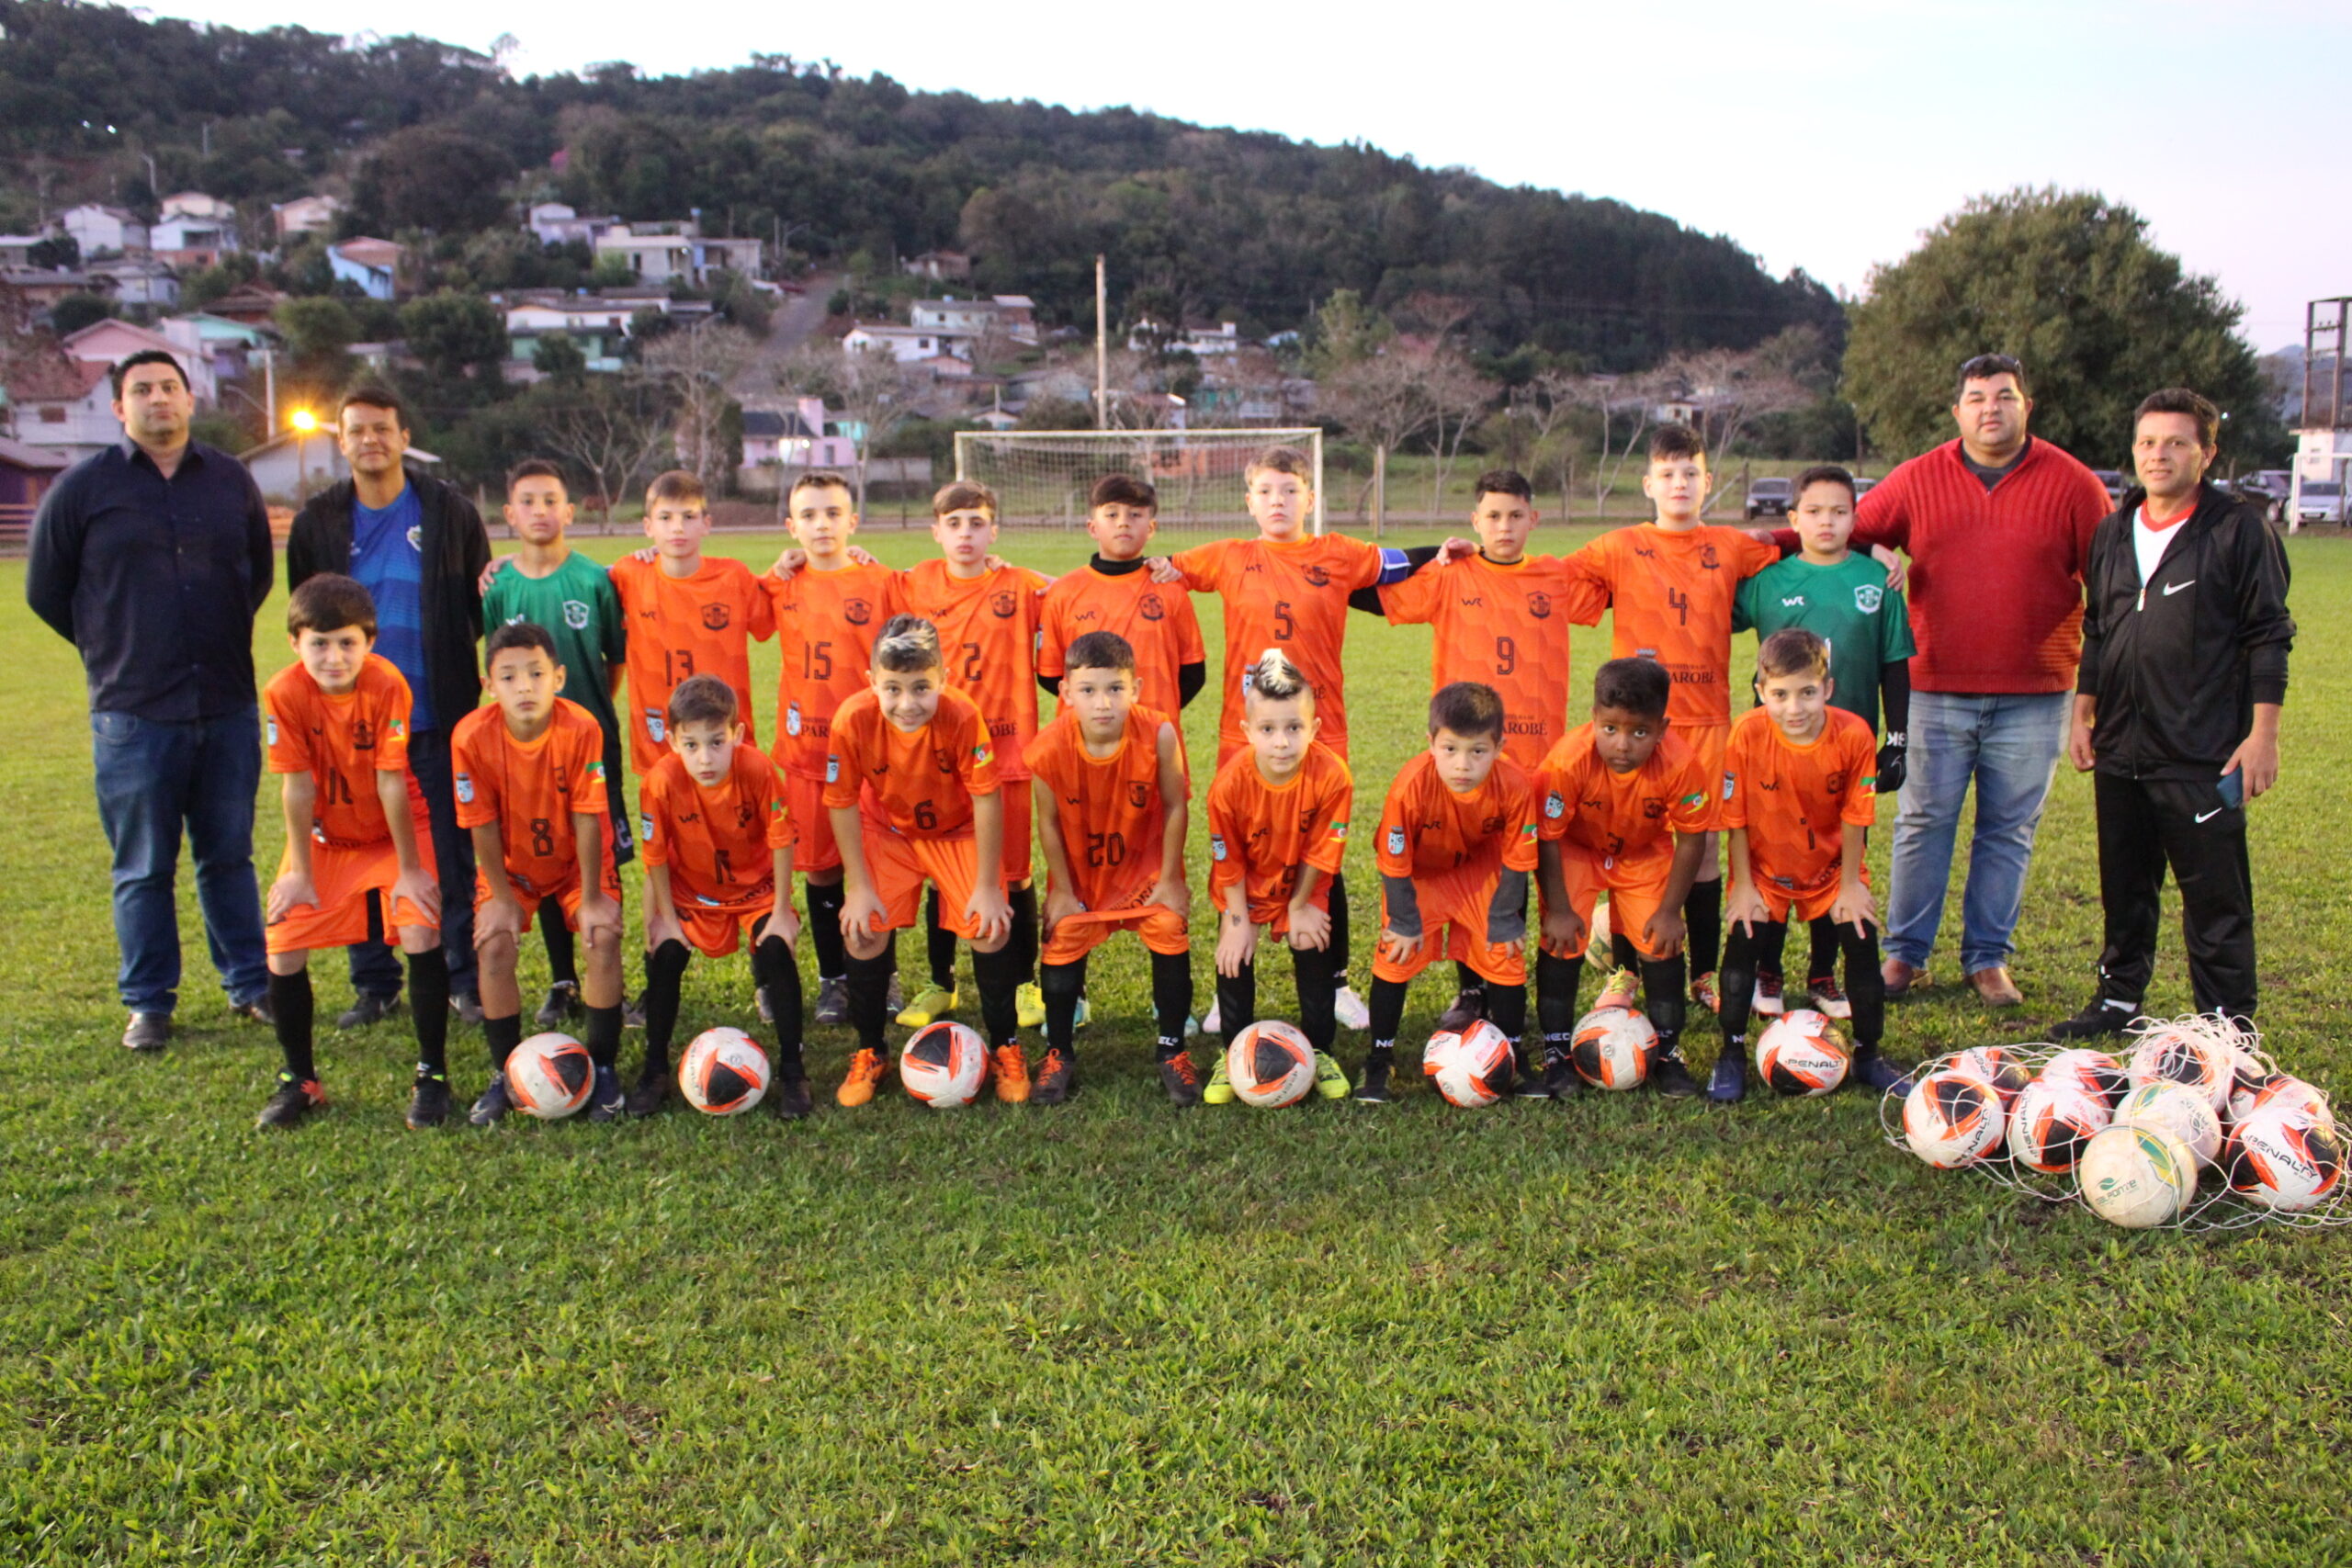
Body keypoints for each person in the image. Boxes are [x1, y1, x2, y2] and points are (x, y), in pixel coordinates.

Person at [1820, 354, 2109, 1008]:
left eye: (2004, 396)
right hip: (1936, 686)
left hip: (2035, 694)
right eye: (1977, 398)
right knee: (1924, 820)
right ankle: (1905, 955)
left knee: (2008, 828)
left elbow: (2111, 585)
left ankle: (1987, 958)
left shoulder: (2073, 483)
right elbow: (1846, 532)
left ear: (2025, 406)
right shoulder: (1920, 477)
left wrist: (2094, 696)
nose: (1990, 409)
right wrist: (1875, 549)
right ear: (1957, 411)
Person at [1153, 445, 1463, 1032]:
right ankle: (1229, 987)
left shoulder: (1338, 554)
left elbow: (1398, 564)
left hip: (1322, 732)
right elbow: (1158, 569)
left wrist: (1443, 553)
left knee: (1323, 854)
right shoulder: (1226, 556)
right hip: (1243, 735)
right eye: (1267, 492)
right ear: (1249, 501)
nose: (1278, 501)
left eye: (1290, 491)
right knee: (1235, 852)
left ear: (1309, 498)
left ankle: (1338, 983)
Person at [26, 348, 275, 1050]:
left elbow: (253, 575)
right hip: (133, 712)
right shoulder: (82, 490)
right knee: (142, 865)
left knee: (228, 856)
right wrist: (112, 648)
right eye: (142, 389)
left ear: (190, 400)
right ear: (119, 407)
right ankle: (149, 1002)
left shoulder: (231, 482)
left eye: (169, 387)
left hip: (225, 702)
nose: (157, 398)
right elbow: (47, 591)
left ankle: (250, 984)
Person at [2053, 389, 2293, 1037]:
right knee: (2125, 886)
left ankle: (2226, 1022)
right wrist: (2084, 712)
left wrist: (2262, 736)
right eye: (2148, 442)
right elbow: (2099, 627)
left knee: (2215, 896)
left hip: (2201, 749)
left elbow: (2269, 634)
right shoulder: (2112, 529)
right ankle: (2118, 997)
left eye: (2177, 442)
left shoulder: (2238, 529)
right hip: (2120, 746)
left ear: (2207, 452)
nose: (2159, 455)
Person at [1364, 466, 1605, 1031]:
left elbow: (1629, 585)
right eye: (1493, 516)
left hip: (1538, 760)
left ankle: (1521, 991)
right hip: (1466, 761)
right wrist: (1431, 554)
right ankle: (1472, 991)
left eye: (1516, 516)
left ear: (1533, 519)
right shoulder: (1452, 574)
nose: (1504, 526)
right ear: (1474, 521)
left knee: (1520, 871)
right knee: (1471, 867)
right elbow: (1368, 592)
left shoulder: (1557, 576)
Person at [288, 385, 489, 1028]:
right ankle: (374, 981)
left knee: (449, 855)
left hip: (435, 715)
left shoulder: (447, 510)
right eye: (357, 430)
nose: (370, 439)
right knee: (359, 848)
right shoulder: (318, 520)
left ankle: (461, 976)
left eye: (383, 428)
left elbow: (475, 604)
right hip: (348, 729)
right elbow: (306, 615)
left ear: (405, 438)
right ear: (340, 441)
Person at [1560, 426, 1779, 1018]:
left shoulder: (1732, 544)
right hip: (1638, 726)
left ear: (1708, 482)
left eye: (1690, 474)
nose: (1679, 484)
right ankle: (1629, 973)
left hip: (1707, 724)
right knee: (1634, 848)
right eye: (1667, 474)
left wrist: (1788, 534)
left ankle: (1704, 973)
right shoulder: (1617, 545)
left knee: (1701, 852)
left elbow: (1796, 546)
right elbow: (1549, 576)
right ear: (1648, 483)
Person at [254, 575, 449, 1129]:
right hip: (325, 838)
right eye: (319, 642)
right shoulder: (283, 692)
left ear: (370, 642)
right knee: (284, 937)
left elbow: (392, 781)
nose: (334, 656)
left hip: (394, 833)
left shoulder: (387, 683)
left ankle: (432, 1074)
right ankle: (300, 1080)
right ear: (296, 643)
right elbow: (295, 784)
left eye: (347, 642)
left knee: (419, 928)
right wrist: (298, 870)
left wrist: (410, 872)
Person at [1732, 464, 1915, 1021]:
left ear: (1856, 520)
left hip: (1847, 750)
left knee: (1833, 854)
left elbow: (1895, 664)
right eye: (1813, 512)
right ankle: (1767, 967)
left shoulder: (1875, 580)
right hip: (1779, 748)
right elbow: (1714, 606)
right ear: (1793, 519)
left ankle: (1821, 972)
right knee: (1776, 853)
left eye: (1839, 511)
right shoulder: (1769, 581)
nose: (1826, 521)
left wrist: (1898, 738)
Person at [824, 615, 1023, 1108]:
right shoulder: (852, 719)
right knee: (863, 927)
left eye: (920, 688)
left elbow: (986, 798)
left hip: (956, 832)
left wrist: (987, 886)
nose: (907, 703)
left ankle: (1005, 1047)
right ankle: (870, 1050)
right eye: (892, 688)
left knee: (989, 925)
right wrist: (857, 885)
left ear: (944, 679)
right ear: (872, 681)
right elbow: (842, 802)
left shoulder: (960, 714)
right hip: (887, 831)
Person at [1710, 629, 1907, 1102]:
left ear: (1828, 689)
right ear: (1761, 691)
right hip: (1763, 869)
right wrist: (1741, 886)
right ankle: (1731, 1052)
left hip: (1830, 870)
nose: (1793, 708)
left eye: (1807, 693)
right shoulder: (1747, 733)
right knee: (1743, 940)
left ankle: (1869, 1055)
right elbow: (1733, 818)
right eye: (1779, 695)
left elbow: (1856, 816)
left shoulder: (1855, 734)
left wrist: (1850, 887)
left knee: (1860, 940)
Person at [892, 481, 1052, 1032]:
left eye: (977, 523)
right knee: (943, 869)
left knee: (1012, 873)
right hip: (937, 754)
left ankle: (1027, 980)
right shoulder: (913, 583)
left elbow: (1075, 594)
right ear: (936, 530)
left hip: (1006, 753)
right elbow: (856, 582)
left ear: (995, 531)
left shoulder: (1020, 585)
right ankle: (943, 982)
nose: (965, 534)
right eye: (954, 523)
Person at [453, 623, 628, 1125]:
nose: (524, 686)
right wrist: (501, 898)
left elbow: (588, 814)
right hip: (512, 870)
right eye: (508, 677)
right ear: (489, 686)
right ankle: (503, 1073)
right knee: (494, 943)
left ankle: (604, 1067)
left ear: (559, 677)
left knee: (601, 936)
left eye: (535, 673)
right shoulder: (470, 736)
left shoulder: (582, 727)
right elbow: (480, 824)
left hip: (576, 863)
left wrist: (592, 895)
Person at [481, 459, 631, 1030]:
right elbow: (495, 664)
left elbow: (614, 660)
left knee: (599, 859)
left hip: (589, 744)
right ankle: (562, 979)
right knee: (541, 855)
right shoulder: (499, 586)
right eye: (529, 501)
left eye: (551, 501)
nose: (540, 511)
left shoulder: (594, 579)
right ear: (510, 513)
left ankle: (604, 972)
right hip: (525, 751)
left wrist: (583, 709)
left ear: (570, 512)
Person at [758, 471, 905, 1027]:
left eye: (833, 513)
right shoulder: (779, 583)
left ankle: (881, 975)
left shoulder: (880, 581)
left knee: (876, 868)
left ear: (852, 521)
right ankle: (833, 980)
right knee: (821, 872)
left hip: (872, 756)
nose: (822, 525)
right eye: (810, 515)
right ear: (791, 526)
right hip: (806, 757)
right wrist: (775, 570)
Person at [1025, 632, 1195, 1104]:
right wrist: (1061, 889)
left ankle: (1172, 1050)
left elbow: (1175, 805)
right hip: (1084, 875)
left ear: (1136, 688)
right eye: (1088, 690)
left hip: (1143, 873)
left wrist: (1170, 879)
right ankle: (1059, 1052)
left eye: (1116, 689)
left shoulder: (1159, 732)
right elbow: (1049, 821)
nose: (1103, 703)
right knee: (1063, 939)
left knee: (1168, 928)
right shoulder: (1047, 748)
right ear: (1066, 693)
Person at [1532, 659, 1712, 1098]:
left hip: (1641, 851)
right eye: (1609, 728)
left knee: (1660, 941)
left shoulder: (1681, 764)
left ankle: (1668, 1053)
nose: (1623, 745)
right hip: (1577, 850)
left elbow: (1692, 839)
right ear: (1593, 718)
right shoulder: (1566, 761)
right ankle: (1556, 1053)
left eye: (1639, 732)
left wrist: (1671, 911)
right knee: (1563, 938)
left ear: (1663, 727)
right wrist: (1558, 908)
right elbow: (1548, 838)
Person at [630, 675, 808, 1118]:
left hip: (757, 892)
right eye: (691, 745)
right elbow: (654, 857)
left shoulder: (758, 769)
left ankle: (794, 1071)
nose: (705, 758)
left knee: (775, 949)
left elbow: (782, 839)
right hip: (693, 895)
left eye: (716, 742)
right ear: (672, 741)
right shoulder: (659, 781)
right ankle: (654, 1069)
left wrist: (782, 911)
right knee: (666, 954)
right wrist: (664, 920)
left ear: (738, 734)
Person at [1361, 682, 1539, 1104]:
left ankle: (1513, 1053)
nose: (1463, 764)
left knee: (1505, 953)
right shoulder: (1409, 787)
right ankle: (1378, 1058)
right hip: (1421, 876)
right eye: (1450, 749)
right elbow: (1394, 863)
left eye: (1478, 751)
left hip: (1479, 872)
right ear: (1431, 743)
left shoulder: (1514, 785)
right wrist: (1404, 922)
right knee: (1395, 955)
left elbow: (1518, 858)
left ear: (1499, 747)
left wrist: (1503, 917)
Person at [1203, 648, 1354, 1105]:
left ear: (1315, 729)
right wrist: (1235, 919)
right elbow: (1225, 857)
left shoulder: (1333, 777)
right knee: (1233, 956)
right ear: (1248, 732)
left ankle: (1321, 1048)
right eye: (1268, 730)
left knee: (1311, 943)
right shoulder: (1228, 786)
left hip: (1303, 885)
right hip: (1245, 889)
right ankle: (1232, 1054)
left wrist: (1300, 904)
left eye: (1294, 728)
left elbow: (1323, 850)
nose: (1282, 742)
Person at [609, 468, 775, 777]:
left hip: (723, 741)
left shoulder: (734, 578)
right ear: (648, 527)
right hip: (658, 743)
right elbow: (574, 576)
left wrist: (798, 558)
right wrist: (507, 563)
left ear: (706, 524)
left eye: (688, 516)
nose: (677, 528)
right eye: (665, 518)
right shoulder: (629, 574)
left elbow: (778, 606)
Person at [1036, 474, 1208, 722]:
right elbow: (1050, 675)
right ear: (1092, 527)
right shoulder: (1064, 592)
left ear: (1151, 528)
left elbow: (1193, 672)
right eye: (1112, 514)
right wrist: (1099, 711)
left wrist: (1154, 713)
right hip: (1086, 738)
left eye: (1135, 514)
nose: (1123, 523)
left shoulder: (1169, 588)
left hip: (1154, 736)